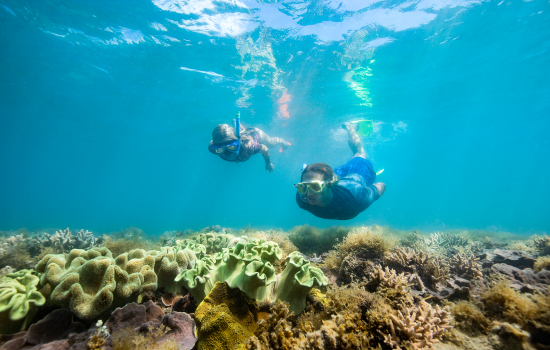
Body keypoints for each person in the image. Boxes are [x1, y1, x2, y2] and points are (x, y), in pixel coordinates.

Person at [295, 122, 386, 220]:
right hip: (338, 173)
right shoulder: (302, 199)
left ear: (330, 183)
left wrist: (369, 189)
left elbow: (382, 186)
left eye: (315, 187)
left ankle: (351, 128)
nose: (308, 194)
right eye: (303, 187)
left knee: (359, 152)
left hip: (358, 172)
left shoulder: (355, 198)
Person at [208, 114, 290, 172]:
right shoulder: (212, 147)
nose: (228, 153)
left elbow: (264, 148)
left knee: (271, 144)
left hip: (255, 134)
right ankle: (238, 127)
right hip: (241, 136)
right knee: (240, 133)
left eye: (232, 147)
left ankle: (284, 142)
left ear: (237, 142)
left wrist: (268, 163)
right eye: (220, 149)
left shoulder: (248, 146)